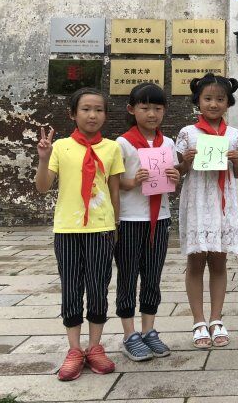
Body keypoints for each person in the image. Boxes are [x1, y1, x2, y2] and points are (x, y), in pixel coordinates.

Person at [34, 87, 123, 381]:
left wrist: (116, 225)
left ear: (105, 115)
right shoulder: (60, 147)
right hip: (68, 228)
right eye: (85, 109)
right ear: (73, 114)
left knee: (98, 286)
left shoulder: (112, 149)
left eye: (98, 109)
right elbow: (43, 187)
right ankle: (74, 349)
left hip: (101, 228)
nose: (92, 115)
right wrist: (44, 158)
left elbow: (114, 190)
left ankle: (95, 346)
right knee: (71, 287)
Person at [175, 73, 238, 349]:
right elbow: (179, 172)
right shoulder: (187, 133)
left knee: (218, 262)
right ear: (198, 101)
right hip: (197, 200)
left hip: (222, 202)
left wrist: (237, 161)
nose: (213, 104)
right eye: (208, 99)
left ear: (228, 102)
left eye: (220, 99)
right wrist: (185, 161)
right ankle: (198, 320)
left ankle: (216, 319)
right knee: (195, 262)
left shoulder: (233, 135)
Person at [114, 83, 180, 361]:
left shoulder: (167, 144)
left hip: (160, 217)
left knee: (153, 275)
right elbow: (114, 181)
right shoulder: (123, 143)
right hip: (130, 218)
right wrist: (132, 181)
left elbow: (171, 179)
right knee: (128, 275)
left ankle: (149, 330)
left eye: (157, 108)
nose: (152, 114)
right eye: (145, 108)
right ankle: (129, 334)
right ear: (132, 109)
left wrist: (175, 177)